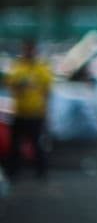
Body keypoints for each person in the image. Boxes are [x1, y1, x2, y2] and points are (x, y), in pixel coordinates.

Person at [3, 38, 53, 180]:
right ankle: (13, 172)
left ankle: (41, 172)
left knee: (37, 144)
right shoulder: (17, 66)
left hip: (36, 113)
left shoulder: (41, 68)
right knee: (15, 145)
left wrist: (46, 110)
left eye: (30, 49)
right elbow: (10, 84)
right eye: (25, 49)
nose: (28, 52)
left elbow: (47, 90)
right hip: (19, 112)